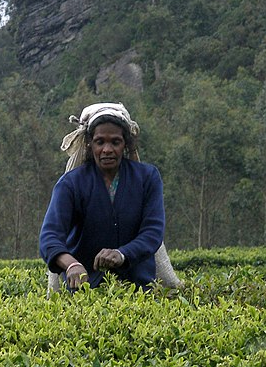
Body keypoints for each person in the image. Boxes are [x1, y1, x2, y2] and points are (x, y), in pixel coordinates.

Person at [40, 102, 172, 290]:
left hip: (138, 290)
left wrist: (122, 254)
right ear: (89, 143)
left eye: (115, 142)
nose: (107, 149)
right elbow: (50, 237)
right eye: (100, 141)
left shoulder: (147, 178)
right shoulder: (71, 184)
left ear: (125, 143)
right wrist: (71, 264)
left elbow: (152, 232)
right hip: (85, 291)